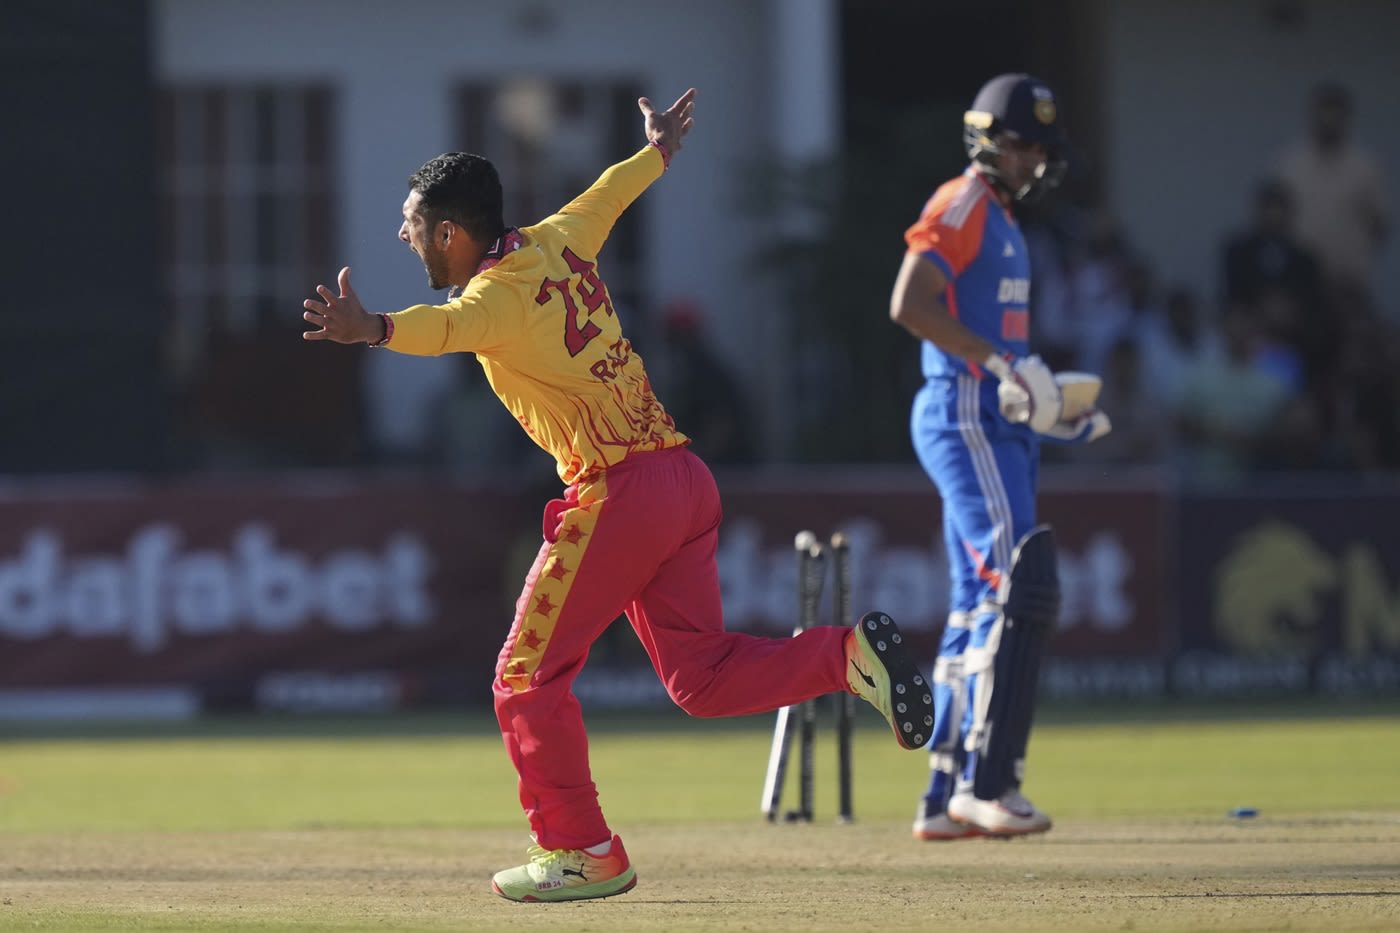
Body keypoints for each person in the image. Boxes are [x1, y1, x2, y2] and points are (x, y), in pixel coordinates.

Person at [301, 87, 933, 902]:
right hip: (682, 480)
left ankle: (581, 848)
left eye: (412, 222)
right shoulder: (561, 239)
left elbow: (441, 329)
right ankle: (846, 657)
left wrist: (373, 328)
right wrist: (660, 149)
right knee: (699, 680)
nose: (404, 233)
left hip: (619, 494)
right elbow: (614, 189)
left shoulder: (489, 300)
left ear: (451, 234)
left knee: (524, 676)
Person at [887, 73, 1111, 841]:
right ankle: (987, 782)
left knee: (974, 599)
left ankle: (943, 791)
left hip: (996, 417)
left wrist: (1050, 405)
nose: (1031, 161)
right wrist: (1001, 367)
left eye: (1039, 149)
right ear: (986, 139)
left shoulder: (1009, 223)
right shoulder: (964, 203)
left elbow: (1000, 347)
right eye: (1020, 146)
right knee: (1012, 580)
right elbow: (910, 304)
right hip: (966, 412)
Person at [1273, 82, 1390, 298]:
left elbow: (1380, 226)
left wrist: (1357, 256)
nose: (1328, 122)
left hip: (1350, 280)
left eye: (1335, 116)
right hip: (1300, 279)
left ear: (1346, 119)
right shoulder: (1290, 164)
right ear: (1312, 116)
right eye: (1322, 115)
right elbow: (1276, 221)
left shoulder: (1365, 167)